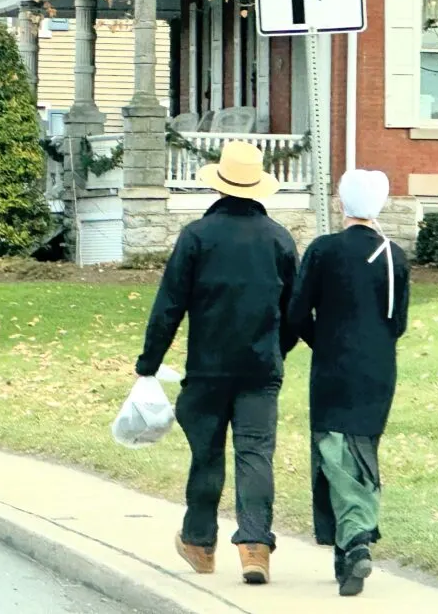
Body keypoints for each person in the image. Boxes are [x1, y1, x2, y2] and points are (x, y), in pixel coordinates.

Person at [134, 141, 299, 586]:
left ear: (220, 186)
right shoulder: (280, 240)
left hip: (207, 370)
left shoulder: (196, 238)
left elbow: (169, 305)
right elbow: (296, 312)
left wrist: (148, 363)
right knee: (255, 455)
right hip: (260, 371)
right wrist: (275, 349)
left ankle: (200, 543)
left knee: (207, 456)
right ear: (258, 187)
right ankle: (255, 547)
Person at [283, 169, 411, 597]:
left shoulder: (324, 250)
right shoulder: (395, 256)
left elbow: (298, 313)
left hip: (334, 368)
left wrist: (323, 343)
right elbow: (398, 323)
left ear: (341, 203)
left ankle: (356, 541)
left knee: (336, 452)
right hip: (378, 370)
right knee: (360, 451)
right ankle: (346, 553)